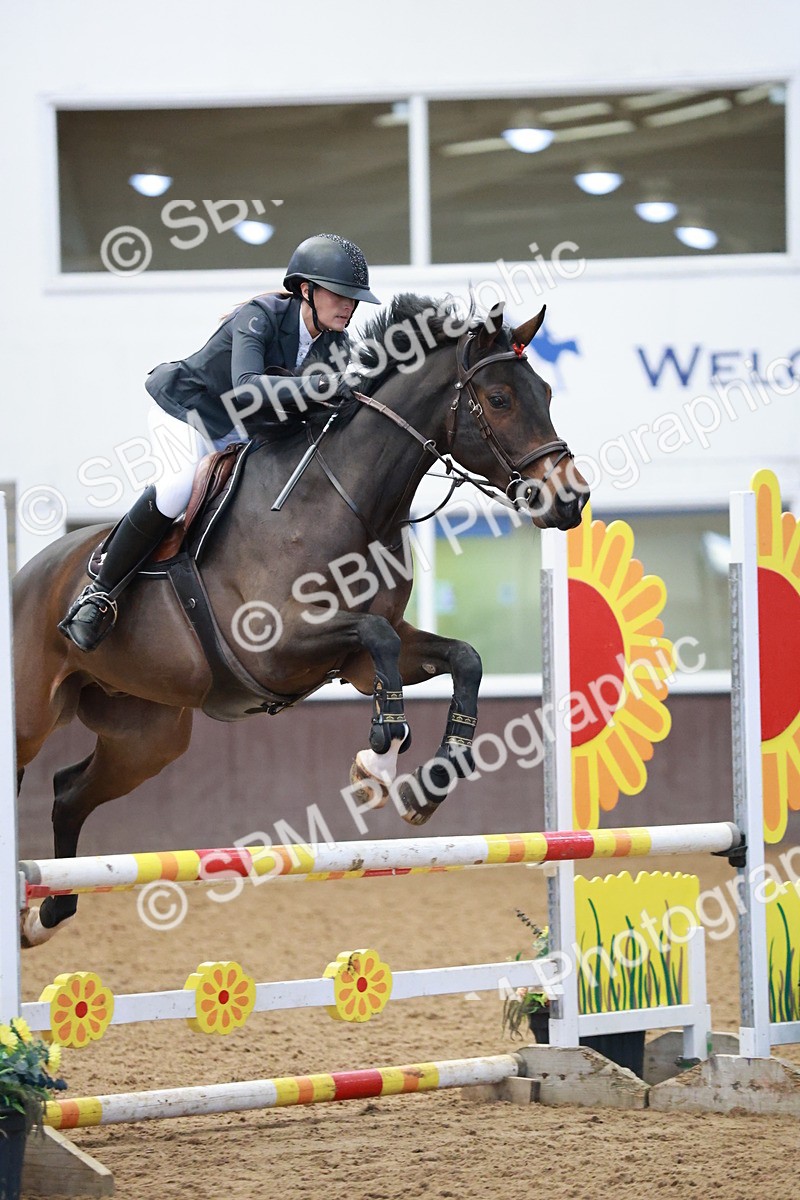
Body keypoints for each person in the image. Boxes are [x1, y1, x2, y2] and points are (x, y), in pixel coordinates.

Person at [58, 232, 380, 652]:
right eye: (340, 294)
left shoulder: (337, 344)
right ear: (306, 290)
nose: (349, 305)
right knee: (179, 487)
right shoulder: (258, 316)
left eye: (354, 297)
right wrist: (321, 384)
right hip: (190, 411)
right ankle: (98, 595)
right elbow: (246, 388)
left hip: (243, 430)